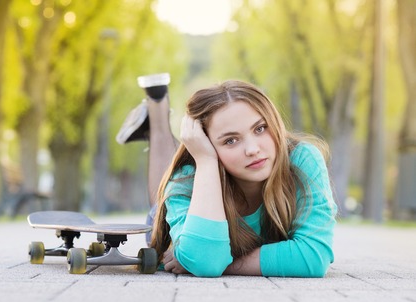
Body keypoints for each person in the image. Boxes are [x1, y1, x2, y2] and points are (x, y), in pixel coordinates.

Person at [117, 76, 337, 278]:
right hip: (171, 218)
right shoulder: (187, 181)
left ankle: (154, 120)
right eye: (230, 141)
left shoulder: (302, 160)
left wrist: (226, 264)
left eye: (260, 128)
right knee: (162, 195)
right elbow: (206, 262)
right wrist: (205, 161)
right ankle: (157, 119)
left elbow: (313, 257)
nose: (252, 149)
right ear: (206, 146)